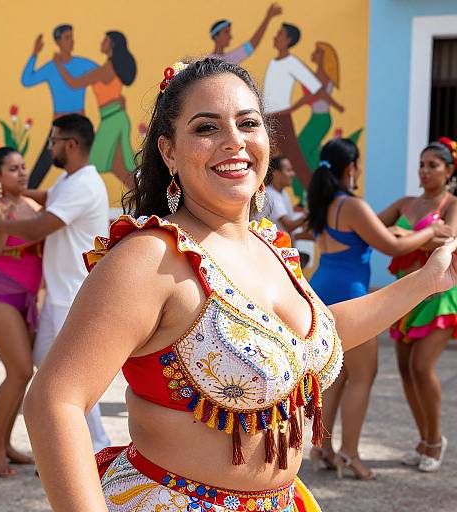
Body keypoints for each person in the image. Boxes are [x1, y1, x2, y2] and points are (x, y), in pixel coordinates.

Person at [23, 58, 457, 512]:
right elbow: (55, 402)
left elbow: (316, 336)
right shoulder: (150, 256)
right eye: (207, 127)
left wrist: (429, 280)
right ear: (168, 151)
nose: (234, 142)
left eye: (247, 123)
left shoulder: (270, 245)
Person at [307, 138, 452, 480]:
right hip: (350, 294)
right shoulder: (350, 205)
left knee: (336, 375)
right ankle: (350, 455)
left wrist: (417, 232)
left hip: (323, 288)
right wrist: (431, 229)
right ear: (350, 168)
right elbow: (391, 244)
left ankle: (322, 448)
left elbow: (389, 232)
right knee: (362, 376)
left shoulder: (324, 202)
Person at [0, 114, 111, 453]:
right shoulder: (69, 181)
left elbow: (39, 228)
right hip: (57, 298)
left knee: (66, 377)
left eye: (53, 141)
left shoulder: (83, 184)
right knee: (50, 374)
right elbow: (46, 196)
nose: (49, 147)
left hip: (72, 297)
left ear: (71, 144)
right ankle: (69, 445)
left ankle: (92, 447)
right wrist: (11, 193)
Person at [378, 137, 457, 472]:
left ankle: (436, 440)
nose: (425, 171)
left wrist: (403, 235)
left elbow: (448, 239)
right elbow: (373, 228)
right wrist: (411, 233)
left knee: (423, 367)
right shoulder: (407, 202)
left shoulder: (452, 203)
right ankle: (423, 441)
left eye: (433, 165)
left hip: (439, 295)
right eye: (422, 165)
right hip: (405, 294)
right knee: (406, 371)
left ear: (449, 170)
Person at [0, 147, 42, 477]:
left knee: (22, 375)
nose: (22, 172)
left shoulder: (33, 206)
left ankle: (4, 442)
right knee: (18, 371)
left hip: (28, 300)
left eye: (23, 166)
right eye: (13, 169)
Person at [53, 31, 137, 188]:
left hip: (113, 119)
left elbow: (74, 83)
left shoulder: (105, 70)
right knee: (119, 167)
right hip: (113, 117)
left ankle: (145, 199)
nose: (101, 43)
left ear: (111, 44)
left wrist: (58, 64)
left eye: (104, 40)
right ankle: (145, 199)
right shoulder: (107, 68)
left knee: (92, 161)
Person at [21, 24, 97, 188]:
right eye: (67, 37)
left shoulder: (82, 64)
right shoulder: (51, 68)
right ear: (58, 42)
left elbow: (104, 73)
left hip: (80, 125)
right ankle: (26, 195)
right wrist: (34, 54)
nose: (72, 41)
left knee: (91, 163)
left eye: (72, 36)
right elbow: (27, 80)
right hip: (59, 126)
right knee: (45, 163)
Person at [263, 23, 323, 191]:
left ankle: (316, 197)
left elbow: (316, 87)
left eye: (280, 34)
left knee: (296, 161)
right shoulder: (275, 62)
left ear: (288, 40)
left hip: (281, 118)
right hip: (268, 118)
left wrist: (292, 109)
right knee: (265, 161)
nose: (275, 36)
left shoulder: (291, 62)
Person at [291, 42, 345, 202]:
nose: (313, 53)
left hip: (320, 120)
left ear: (323, 57)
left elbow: (316, 95)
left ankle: (308, 191)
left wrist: (291, 109)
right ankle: (315, 190)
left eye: (317, 52)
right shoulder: (316, 75)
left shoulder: (322, 76)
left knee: (300, 151)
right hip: (317, 118)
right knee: (312, 153)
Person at [257, 156, 311, 267]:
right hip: (272, 255)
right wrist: (311, 215)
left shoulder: (283, 194)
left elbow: (289, 231)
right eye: (288, 170)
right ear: (276, 173)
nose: (293, 174)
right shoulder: (270, 195)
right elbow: (289, 226)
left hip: (279, 252)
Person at [208, 3, 282, 64]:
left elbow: (251, 45)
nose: (230, 37)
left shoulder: (230, 59)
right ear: (216, 37)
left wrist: (268, 18)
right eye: (226, 32)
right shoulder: (208, 62)